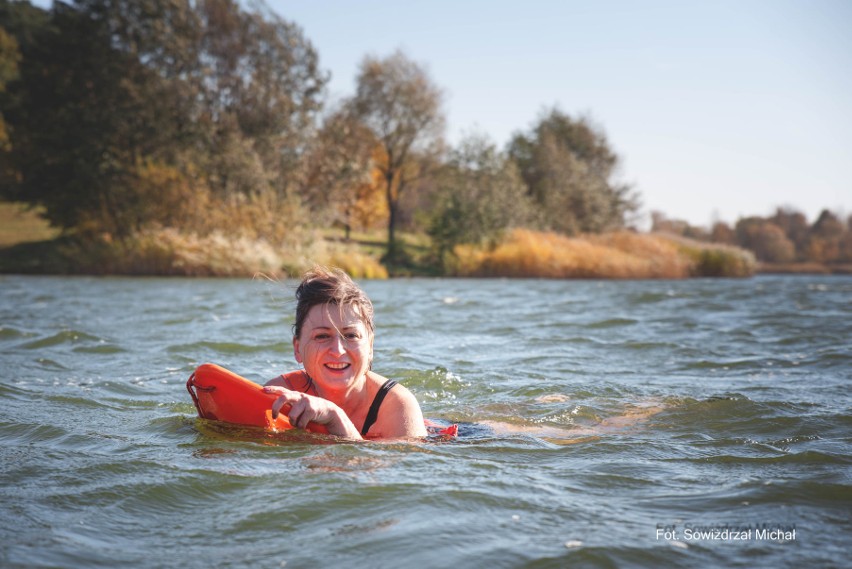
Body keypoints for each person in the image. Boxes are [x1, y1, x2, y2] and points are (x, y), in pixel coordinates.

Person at [263, 267, 427, 440]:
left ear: (370, 346)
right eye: (322, 336)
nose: (338, 350)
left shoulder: (397, 407)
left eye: (350, 335)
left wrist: (335, 418)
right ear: (297, 349)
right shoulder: (282, 394)